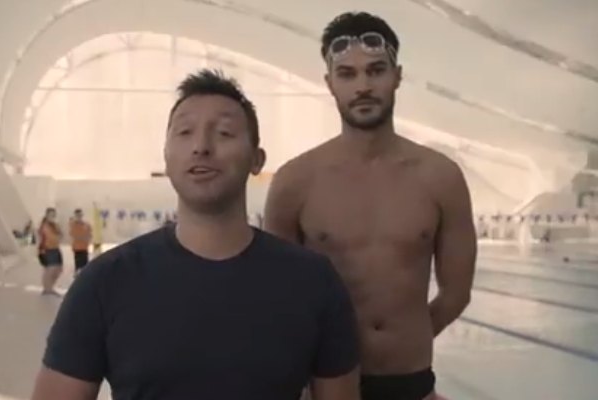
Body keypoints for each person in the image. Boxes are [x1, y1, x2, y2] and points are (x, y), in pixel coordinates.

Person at [31, 69, 360, 400]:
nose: (201, 147)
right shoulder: (106, 281)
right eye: (185, 132)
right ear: (166, 158)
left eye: (224, 133)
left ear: (256, 160)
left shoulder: (312, 282)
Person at [264, 12, 477, 400]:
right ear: (330, 83)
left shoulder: (441, 177)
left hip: (410, 381)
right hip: (324, 388)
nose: (362, 86)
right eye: (347, 74)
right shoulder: (295, 182)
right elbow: (277, 300)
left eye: (376, 71)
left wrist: (409, 338)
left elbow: (456, 294)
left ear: (397, 76)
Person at [37, 207, 64, 296]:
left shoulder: (55, 225)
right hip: (47, 249)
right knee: (50, 269)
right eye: (50, 215)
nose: (52, 216)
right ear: (47, 215)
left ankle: (49, 287)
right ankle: (47, 289)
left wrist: (58, 236)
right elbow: (51, 237)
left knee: (59, 269)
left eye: (54, 215)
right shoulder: (44, 226)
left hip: (55, 248)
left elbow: (61, 235)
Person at [69, 208, 92, 276]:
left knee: (85, 266)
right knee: (78, 266)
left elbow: (89, 235)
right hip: (77, 248)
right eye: (77, 215)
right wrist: (83, 237)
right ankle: (77, 276)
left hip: (84, 247)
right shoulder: (73, 225)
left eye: (80, 215)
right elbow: (74, 235)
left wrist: (86, 239)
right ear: (75, 216)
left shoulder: (86, 224)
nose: (79, 217)